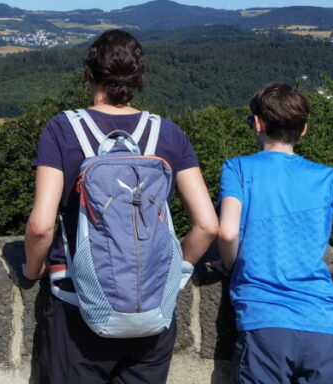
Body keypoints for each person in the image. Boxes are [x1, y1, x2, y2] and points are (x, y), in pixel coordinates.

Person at [23, 29, 218, 383]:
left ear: (89, 73)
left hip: (77, 305)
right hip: (153, 313)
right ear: (138, 78)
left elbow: (41, 226)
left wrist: (31, 270)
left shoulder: (62, 129)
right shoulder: (169, 133)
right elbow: (207, 225)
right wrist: (175, 272)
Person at [217, 82, 333, 384]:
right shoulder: (327, 178)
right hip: (322, 326)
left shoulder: (237, 169)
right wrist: (332, 269)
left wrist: (231, 267)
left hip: (263, 323)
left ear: (258, 124)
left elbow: (228, 233)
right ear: (304, 130)